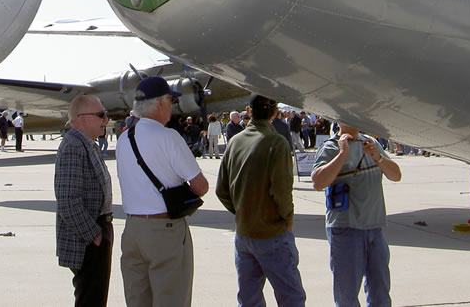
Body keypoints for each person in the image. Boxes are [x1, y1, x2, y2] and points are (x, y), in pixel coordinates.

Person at [115, 76, 209, 307]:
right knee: (171, 299)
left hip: (133, 229)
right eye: (170, 100)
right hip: (164, 230)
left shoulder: (124, 139)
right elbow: (201, 186)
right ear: (159, 103)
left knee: (137, 300)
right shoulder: (168, 137)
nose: (172, 105)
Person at [217, 94, 306, 307]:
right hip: (272, 233)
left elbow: (221, 190)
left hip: (244, 233)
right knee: (291, 296)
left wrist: (243, 212)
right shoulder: (276, 142)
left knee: (249, 298)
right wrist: (288, 218)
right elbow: (281, 191)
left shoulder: (235, 142)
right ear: (275, 113)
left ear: (249, 111)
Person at [312, 121, 402, 307]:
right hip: (346, 230)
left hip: (375, 228)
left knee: (381, 293)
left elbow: (396, 175)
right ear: (338, 120)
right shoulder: (331, 147)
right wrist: (342, 154)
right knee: (347, 296)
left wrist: (378, 157)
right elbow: (318, 182)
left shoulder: (371, 144)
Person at [54, 95, 113, 307]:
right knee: (90, 299)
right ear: (81, 118)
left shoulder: (88, 144)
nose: (105, 119)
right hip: (87, 237)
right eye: (100, 115)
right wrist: (94, 235)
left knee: (95, 297)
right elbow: (68, 201)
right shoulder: (73, 147)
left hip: (97, 230)